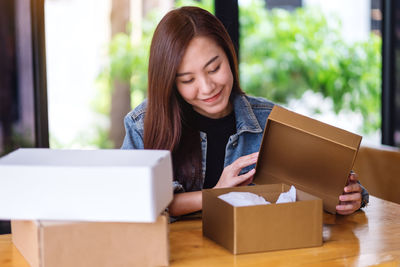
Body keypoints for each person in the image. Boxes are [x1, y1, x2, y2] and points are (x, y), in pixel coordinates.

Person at [121, 6, 369, 217]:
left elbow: (331, 182)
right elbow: (131, 200)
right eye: (187, 80)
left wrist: (351, 197)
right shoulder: (144, 123)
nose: (207, 87)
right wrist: (216, 195)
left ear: (229, 56)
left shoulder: (268, 120)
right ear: (171, 84)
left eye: (214, 68)